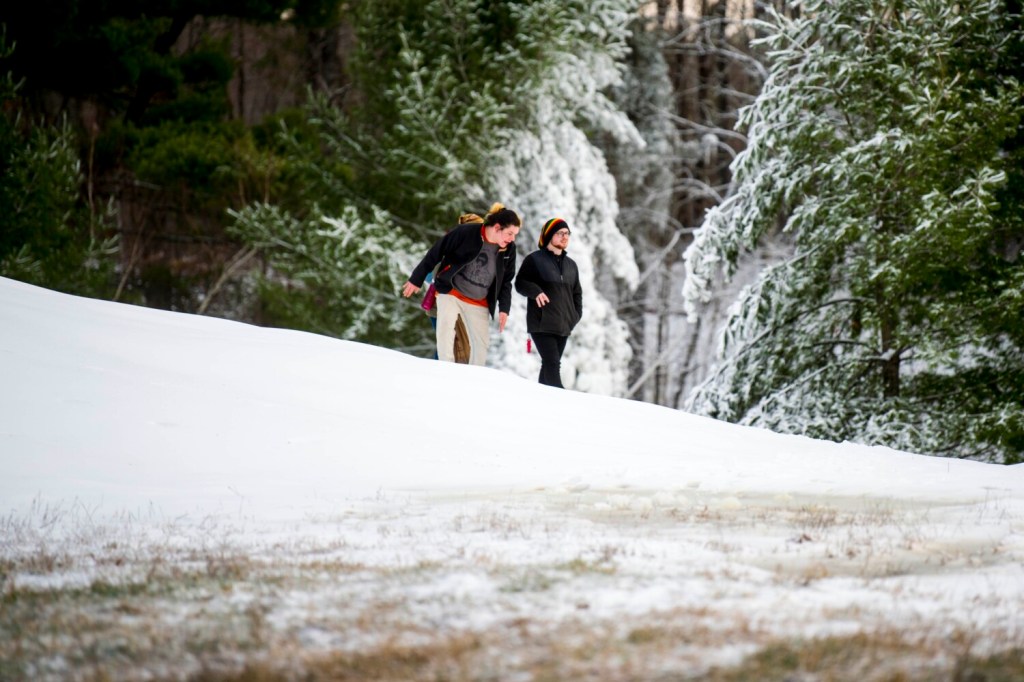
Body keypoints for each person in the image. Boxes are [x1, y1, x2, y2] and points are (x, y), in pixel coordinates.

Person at [402, 203, 520, 365]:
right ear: (497, 227)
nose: (512, 239)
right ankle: (446, 371)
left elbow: (506, 281)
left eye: (515, 235)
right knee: (445, 332)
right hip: (452, 291)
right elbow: (436, 251)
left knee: (481, 346)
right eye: (510, 233)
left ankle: (473, 376)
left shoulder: (509, 249)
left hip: (479, 301)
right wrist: (416, 279)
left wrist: (504, 308)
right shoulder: (467, 232)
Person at [514, 217, 582, 388]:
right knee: (552, 364)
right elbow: (520, 283)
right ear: (549, 235)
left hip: (563, 326)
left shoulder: (571, 265)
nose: (565, 237)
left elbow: (577, 294)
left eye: (567, 233)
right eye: (560, 233)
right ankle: (561, 398)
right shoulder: (534, 260)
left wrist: (574, 316)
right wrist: (536, 291)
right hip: (541, 324)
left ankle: (542, 399)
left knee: (548, 365)